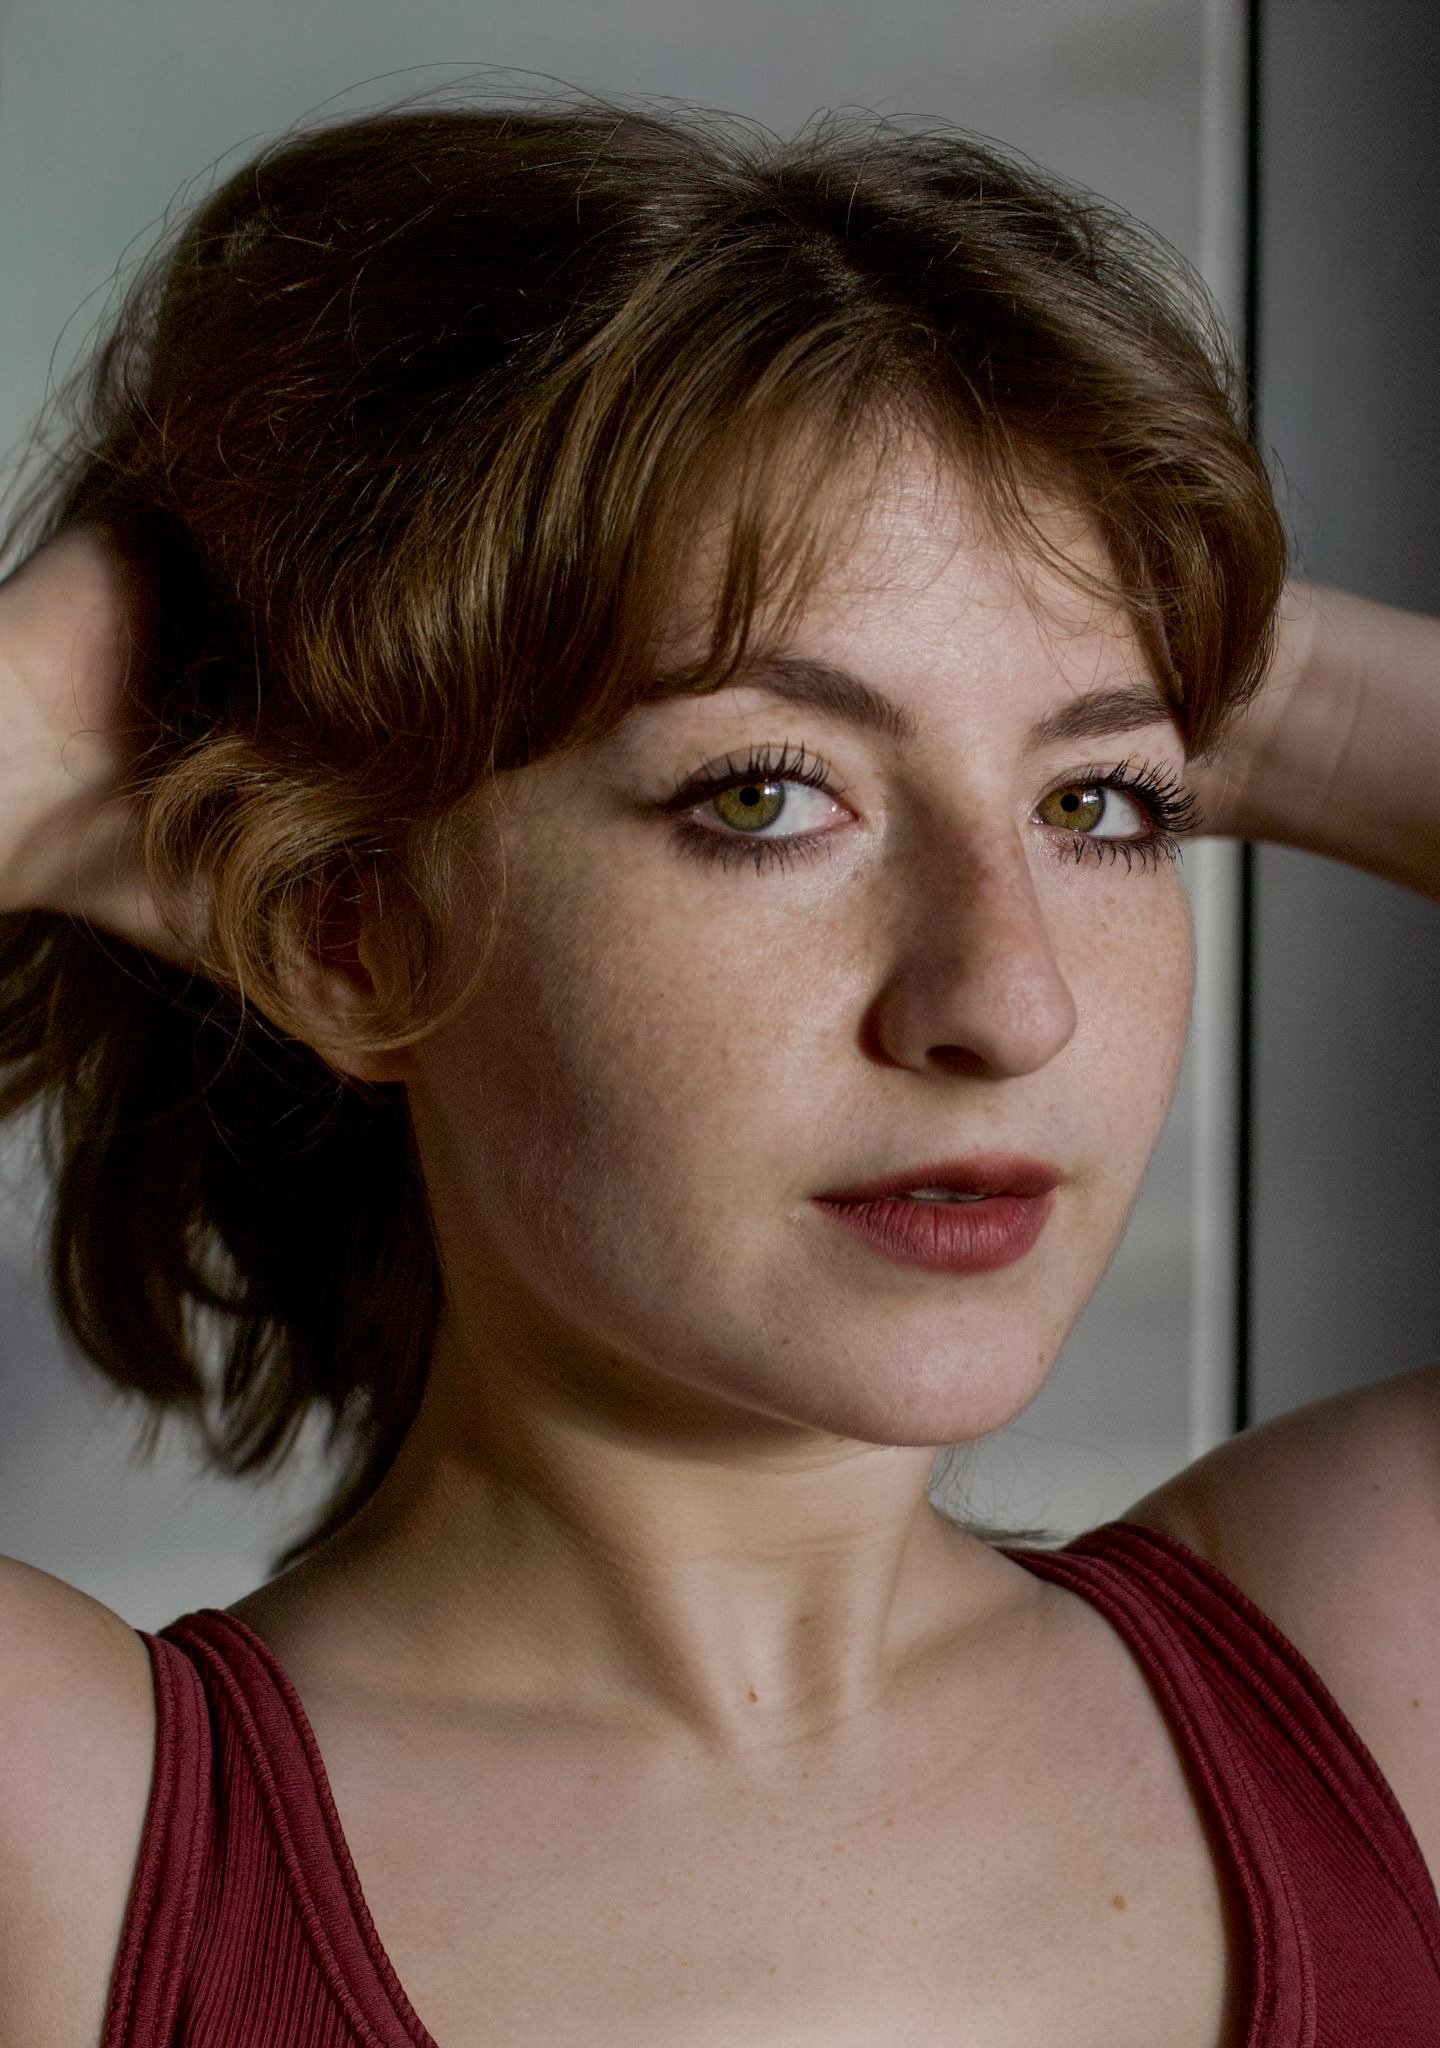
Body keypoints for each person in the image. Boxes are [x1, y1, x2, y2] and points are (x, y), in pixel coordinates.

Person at [0, 94, 1437, 2048]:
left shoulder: (1368, 1669)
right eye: (768, 793)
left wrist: (1181, 625)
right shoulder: (88, 1856)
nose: (1006, 1003)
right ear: (354, 932)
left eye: (1102, 803)